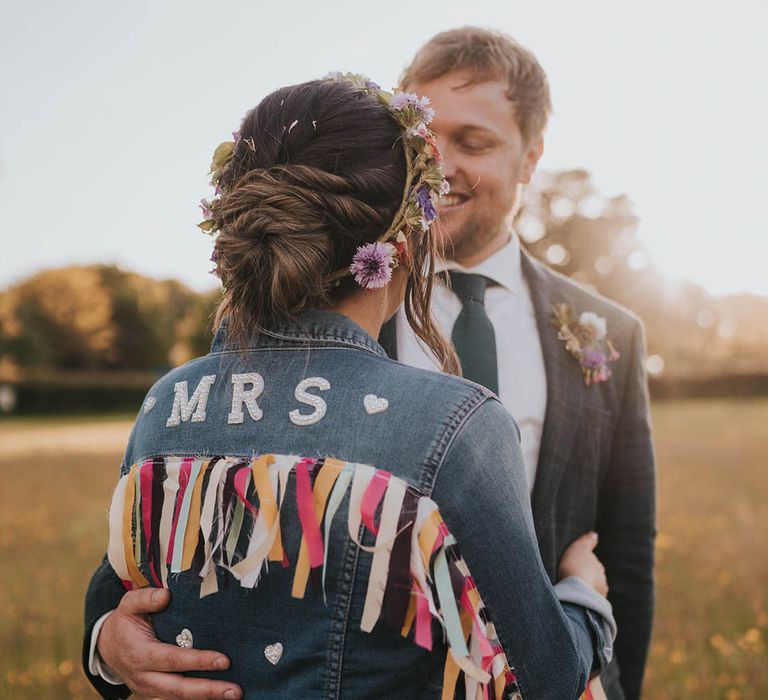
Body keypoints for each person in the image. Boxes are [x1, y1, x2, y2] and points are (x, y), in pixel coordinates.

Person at [82, 74, 615, 699]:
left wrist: (103, 642)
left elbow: (121, 607)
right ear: (404, 243)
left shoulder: (165, 405)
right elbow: (542, 678)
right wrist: (586, 597)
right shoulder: (454, 424)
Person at [377, 28, 656, 700]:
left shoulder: (611, 333)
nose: (437, 166)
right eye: (422, 141)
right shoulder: (338, 305)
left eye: (472, 143)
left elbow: (629, 558)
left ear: (531, 158)